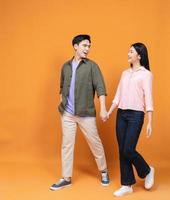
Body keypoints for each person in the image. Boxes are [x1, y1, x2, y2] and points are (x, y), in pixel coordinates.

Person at [50, 34, 109, 190]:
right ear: (75, 46)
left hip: (86, 113)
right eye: (85, 45)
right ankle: (66, 177)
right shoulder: (65, 66)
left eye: (89, 46)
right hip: (67, 113)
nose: (87, 49)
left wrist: (103, 108)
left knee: (95, 143)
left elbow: (100, 88)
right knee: (67, 145)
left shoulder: (92, 66)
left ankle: (103, 171)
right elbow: (62, 87)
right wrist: (61, 103)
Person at [107, 43, 155, 197]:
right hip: (121, 114)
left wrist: (149, 121)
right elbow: (117, 96)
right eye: (128, 50)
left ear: (139, 55)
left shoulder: (146, 74)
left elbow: (148, 97)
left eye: (131, 51)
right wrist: (109, 112)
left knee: (128, 149)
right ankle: (126, 184)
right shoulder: (124, 73)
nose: (128, 53)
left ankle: (147, 170)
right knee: (122, 150)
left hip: (136, 115)